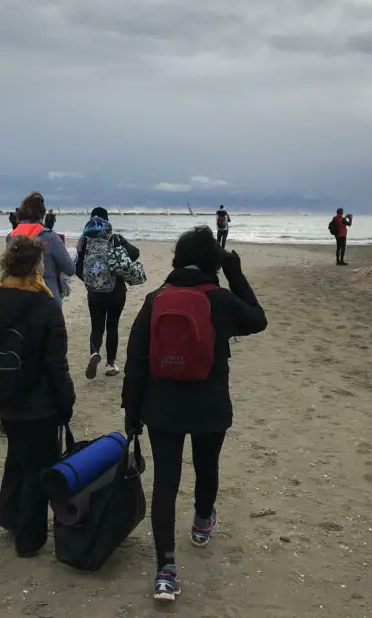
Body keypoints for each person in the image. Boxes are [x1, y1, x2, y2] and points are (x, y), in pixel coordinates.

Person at [121, 225, 267, 602]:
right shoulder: (219, 299)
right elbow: (257, 318)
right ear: (212, 262)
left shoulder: (156, 298)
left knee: (166, 483)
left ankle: (166, 571)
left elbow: (136, 360)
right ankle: (202, 522)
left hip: (161, 406)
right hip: (209, 404)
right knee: (207, 465)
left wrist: (132, 412)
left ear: (177, 258)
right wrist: (234, 272)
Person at [0, 235, 75, 557]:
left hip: (4, 396)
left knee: (17, 456)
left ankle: (10, 517)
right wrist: (66, 402)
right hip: (37, 402)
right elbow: (56, 364)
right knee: (39, 466)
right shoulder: (45, 306)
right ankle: (29, 539)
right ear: (35, 269)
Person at [74, 207, 140, 379]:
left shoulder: (84, 242)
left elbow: (77, 267)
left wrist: (90, 281)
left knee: (97, 326)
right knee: (112, 326)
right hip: (117, 290)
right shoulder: (115, 239)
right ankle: (110, 364)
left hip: (94, 292)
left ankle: (94, 354)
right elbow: (135, 253)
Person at [6, 191, 74, 305]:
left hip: (18, 297)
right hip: (46, 296)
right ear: (42, 215)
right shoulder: (50, 237)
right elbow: (70, 269)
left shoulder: (11, 237)